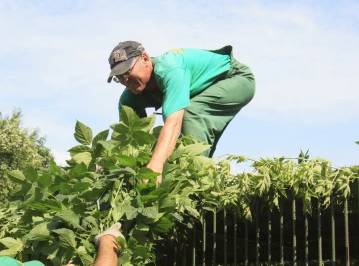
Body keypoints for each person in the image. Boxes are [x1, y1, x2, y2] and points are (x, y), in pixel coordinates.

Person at [107, 41, 255, 182]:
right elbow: (128, 139)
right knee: (159, 146)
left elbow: (173, 124)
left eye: (127, 72)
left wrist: (156, 166)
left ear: (145, 58)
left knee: (192, 114)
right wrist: (104, 167)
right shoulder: (129, 99)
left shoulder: (169, 69)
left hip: (235, 78)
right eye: (119, 77)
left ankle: (197, 185)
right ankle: (200, 176)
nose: (125, 81)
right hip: (200, 92)